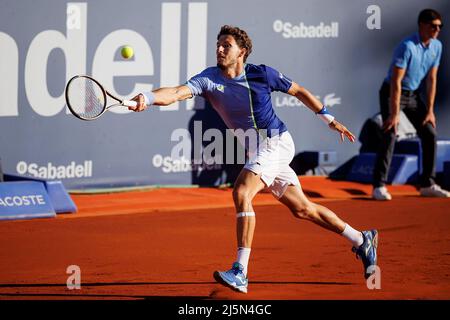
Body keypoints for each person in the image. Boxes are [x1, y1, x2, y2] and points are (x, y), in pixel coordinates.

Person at [129, 25, 378, 293]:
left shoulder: (261, 74)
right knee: (303, 209)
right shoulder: (209, 78)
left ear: (242, 52)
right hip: (259, 150)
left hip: (276, 143)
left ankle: (240, 271)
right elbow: (177, 92)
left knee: (242, 191)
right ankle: (361, 238)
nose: (220, 49)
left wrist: (329, 119)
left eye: (226, 45)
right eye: (218, 44)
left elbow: (299, 91)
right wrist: (149, 97)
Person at [372, 9, 449, 200]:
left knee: (429, 133)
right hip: (392, 92)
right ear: (422, 25)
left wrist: (430, 110)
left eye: (440, 26)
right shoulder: (406, 47)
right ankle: (378, 186)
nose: (437, 29)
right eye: (433, 26)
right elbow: (396, 82)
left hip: (414, 95)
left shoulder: (437, 46)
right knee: (390, 132)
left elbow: (432, 79)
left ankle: (427, 184)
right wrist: (394, 112)